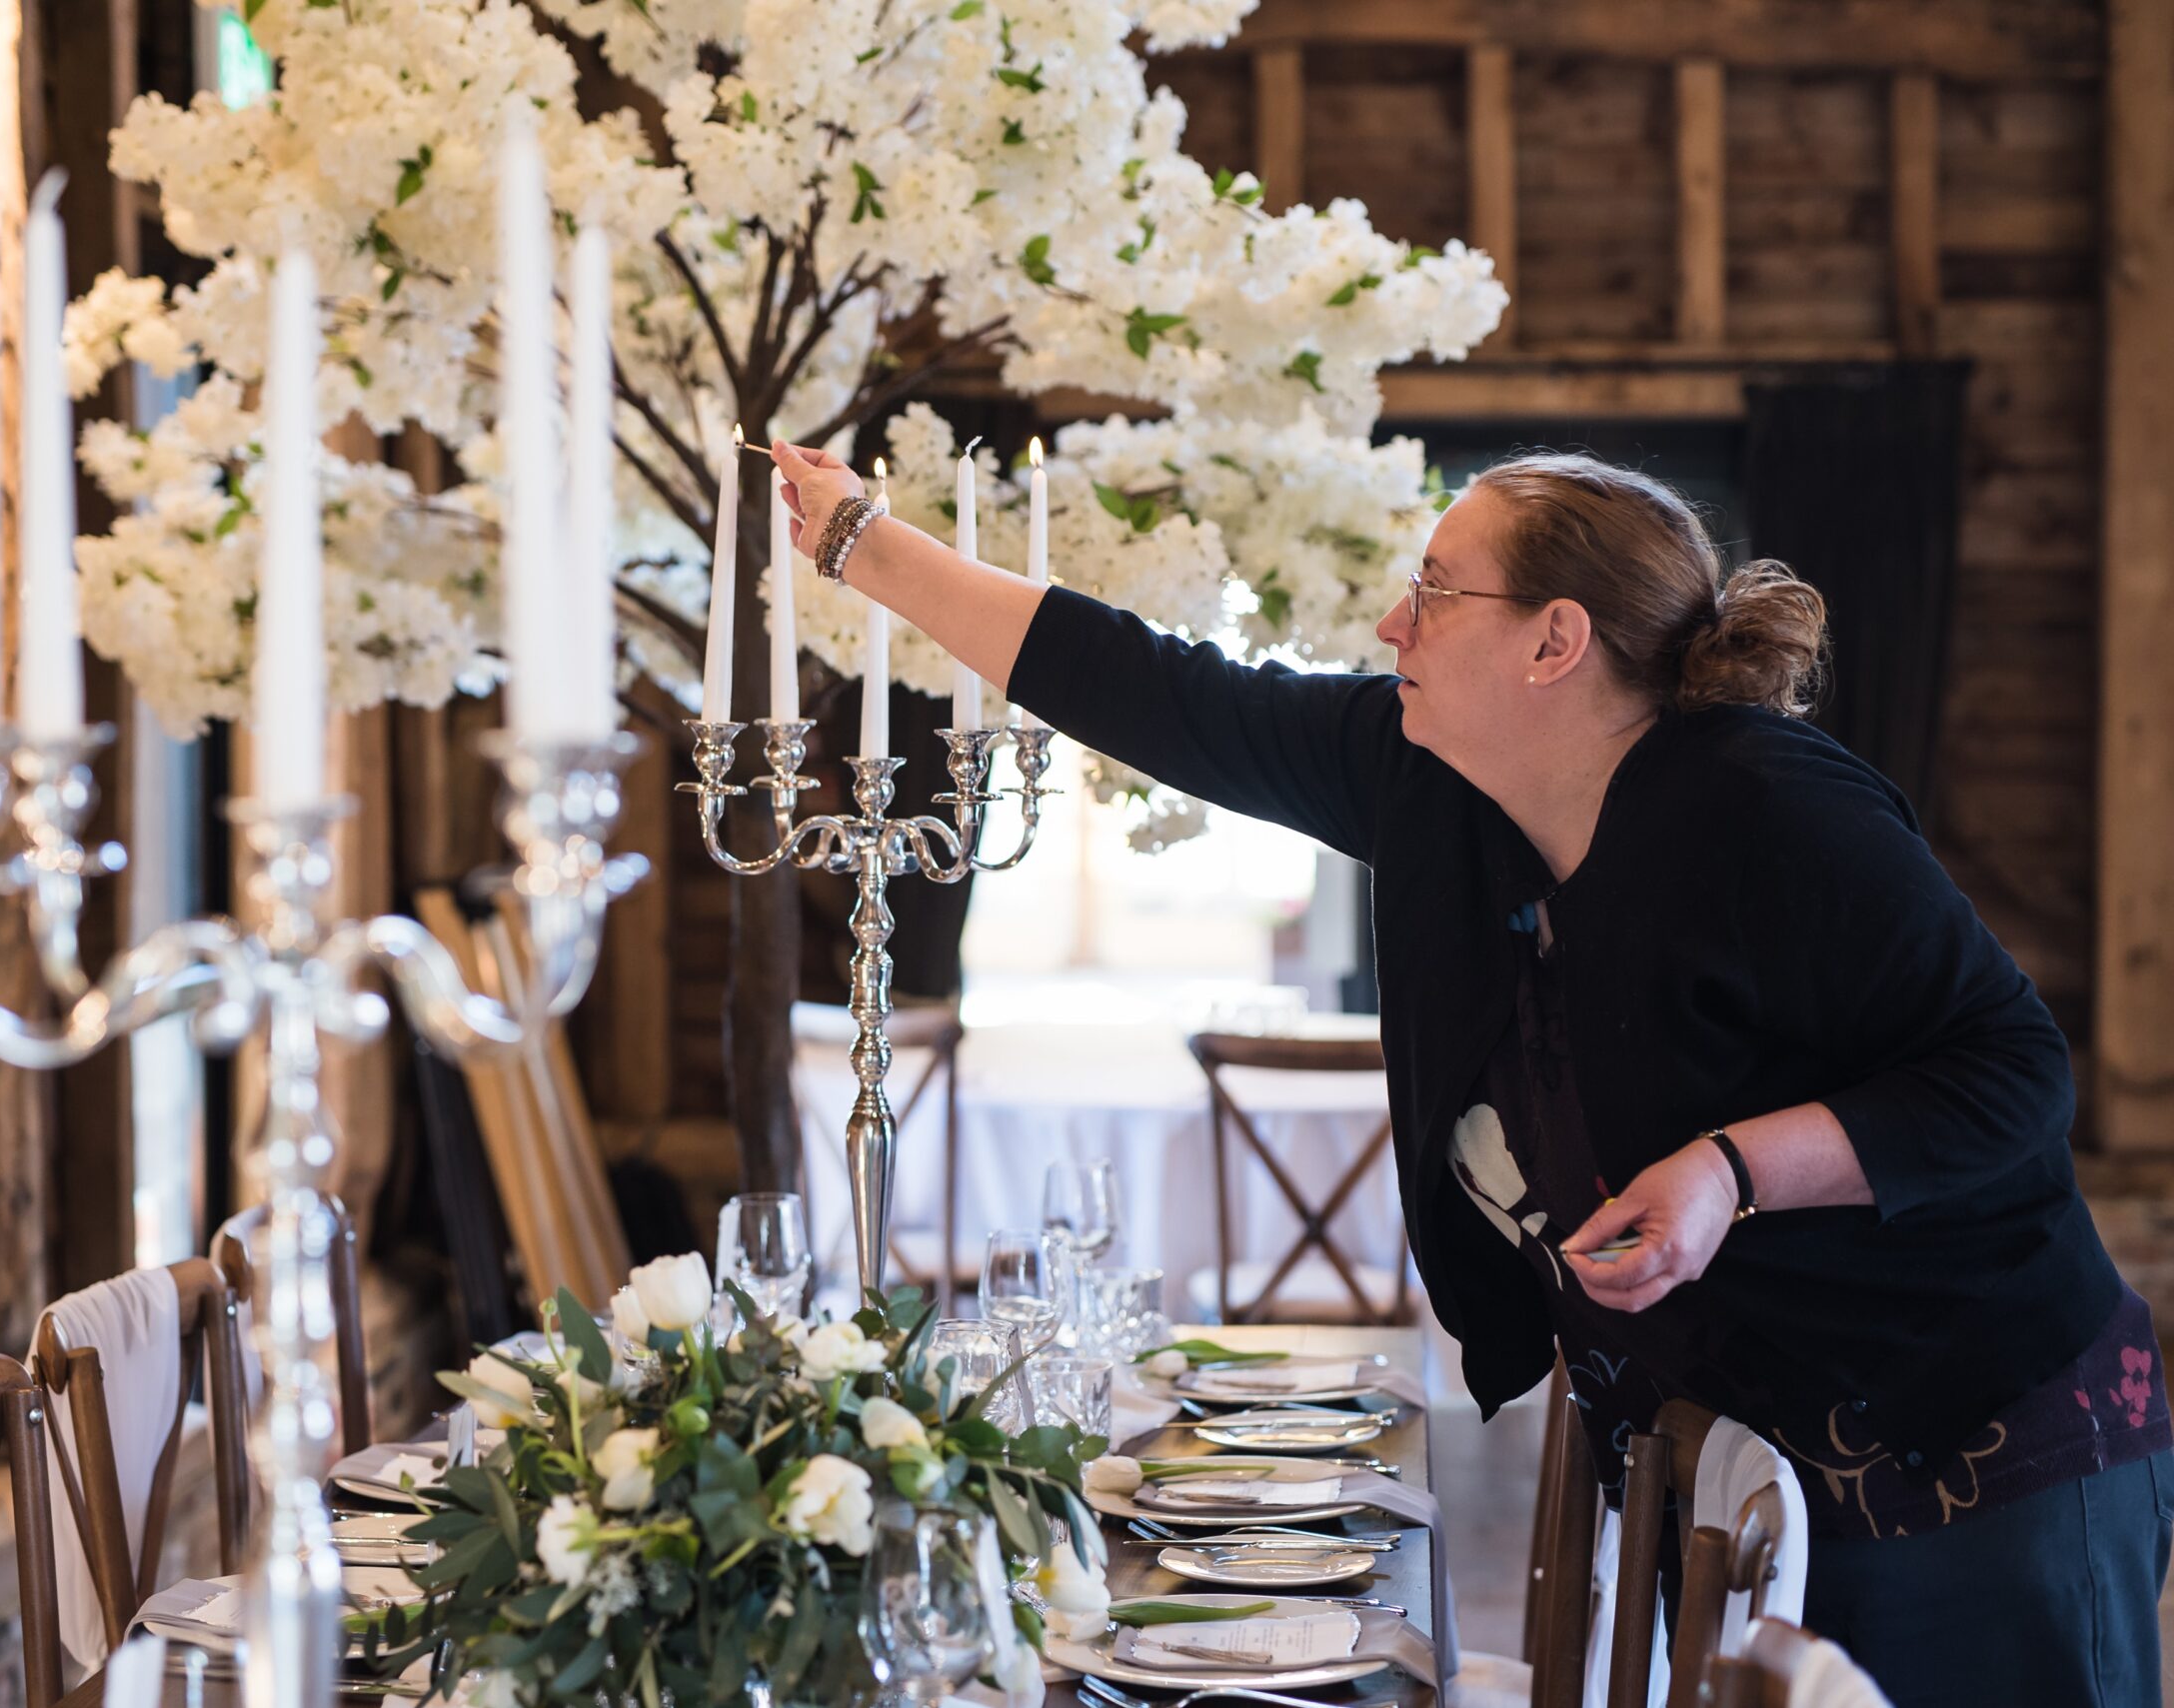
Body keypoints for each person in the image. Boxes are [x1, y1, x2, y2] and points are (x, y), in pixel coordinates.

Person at [768, 439, 2172, 1706]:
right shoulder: (1427, 783)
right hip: (1761, 1451)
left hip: (1988, 1450)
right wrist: (860, 544)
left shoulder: (1769, 806)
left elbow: (2013, 1074)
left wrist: (1729, 1171)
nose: (1394, 623)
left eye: (1436, 590)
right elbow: (1159, 689)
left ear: (1556, 641)